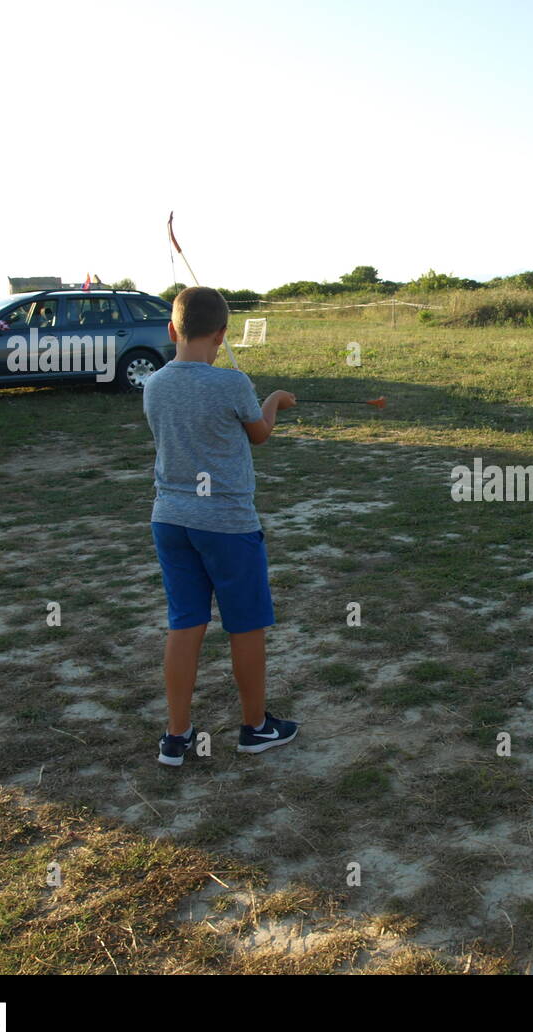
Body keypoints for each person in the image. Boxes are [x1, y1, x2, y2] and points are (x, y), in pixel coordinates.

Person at [143, 286, 298, 767]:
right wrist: (273, 399)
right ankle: (255, 727)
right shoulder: (233, 384)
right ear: (222, 334)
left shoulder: (153, 384)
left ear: (172, 330)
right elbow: (260, 435)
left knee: (184, 624)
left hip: (170, 520)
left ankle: (176, 735)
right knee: (246, 625)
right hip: (227, 523)